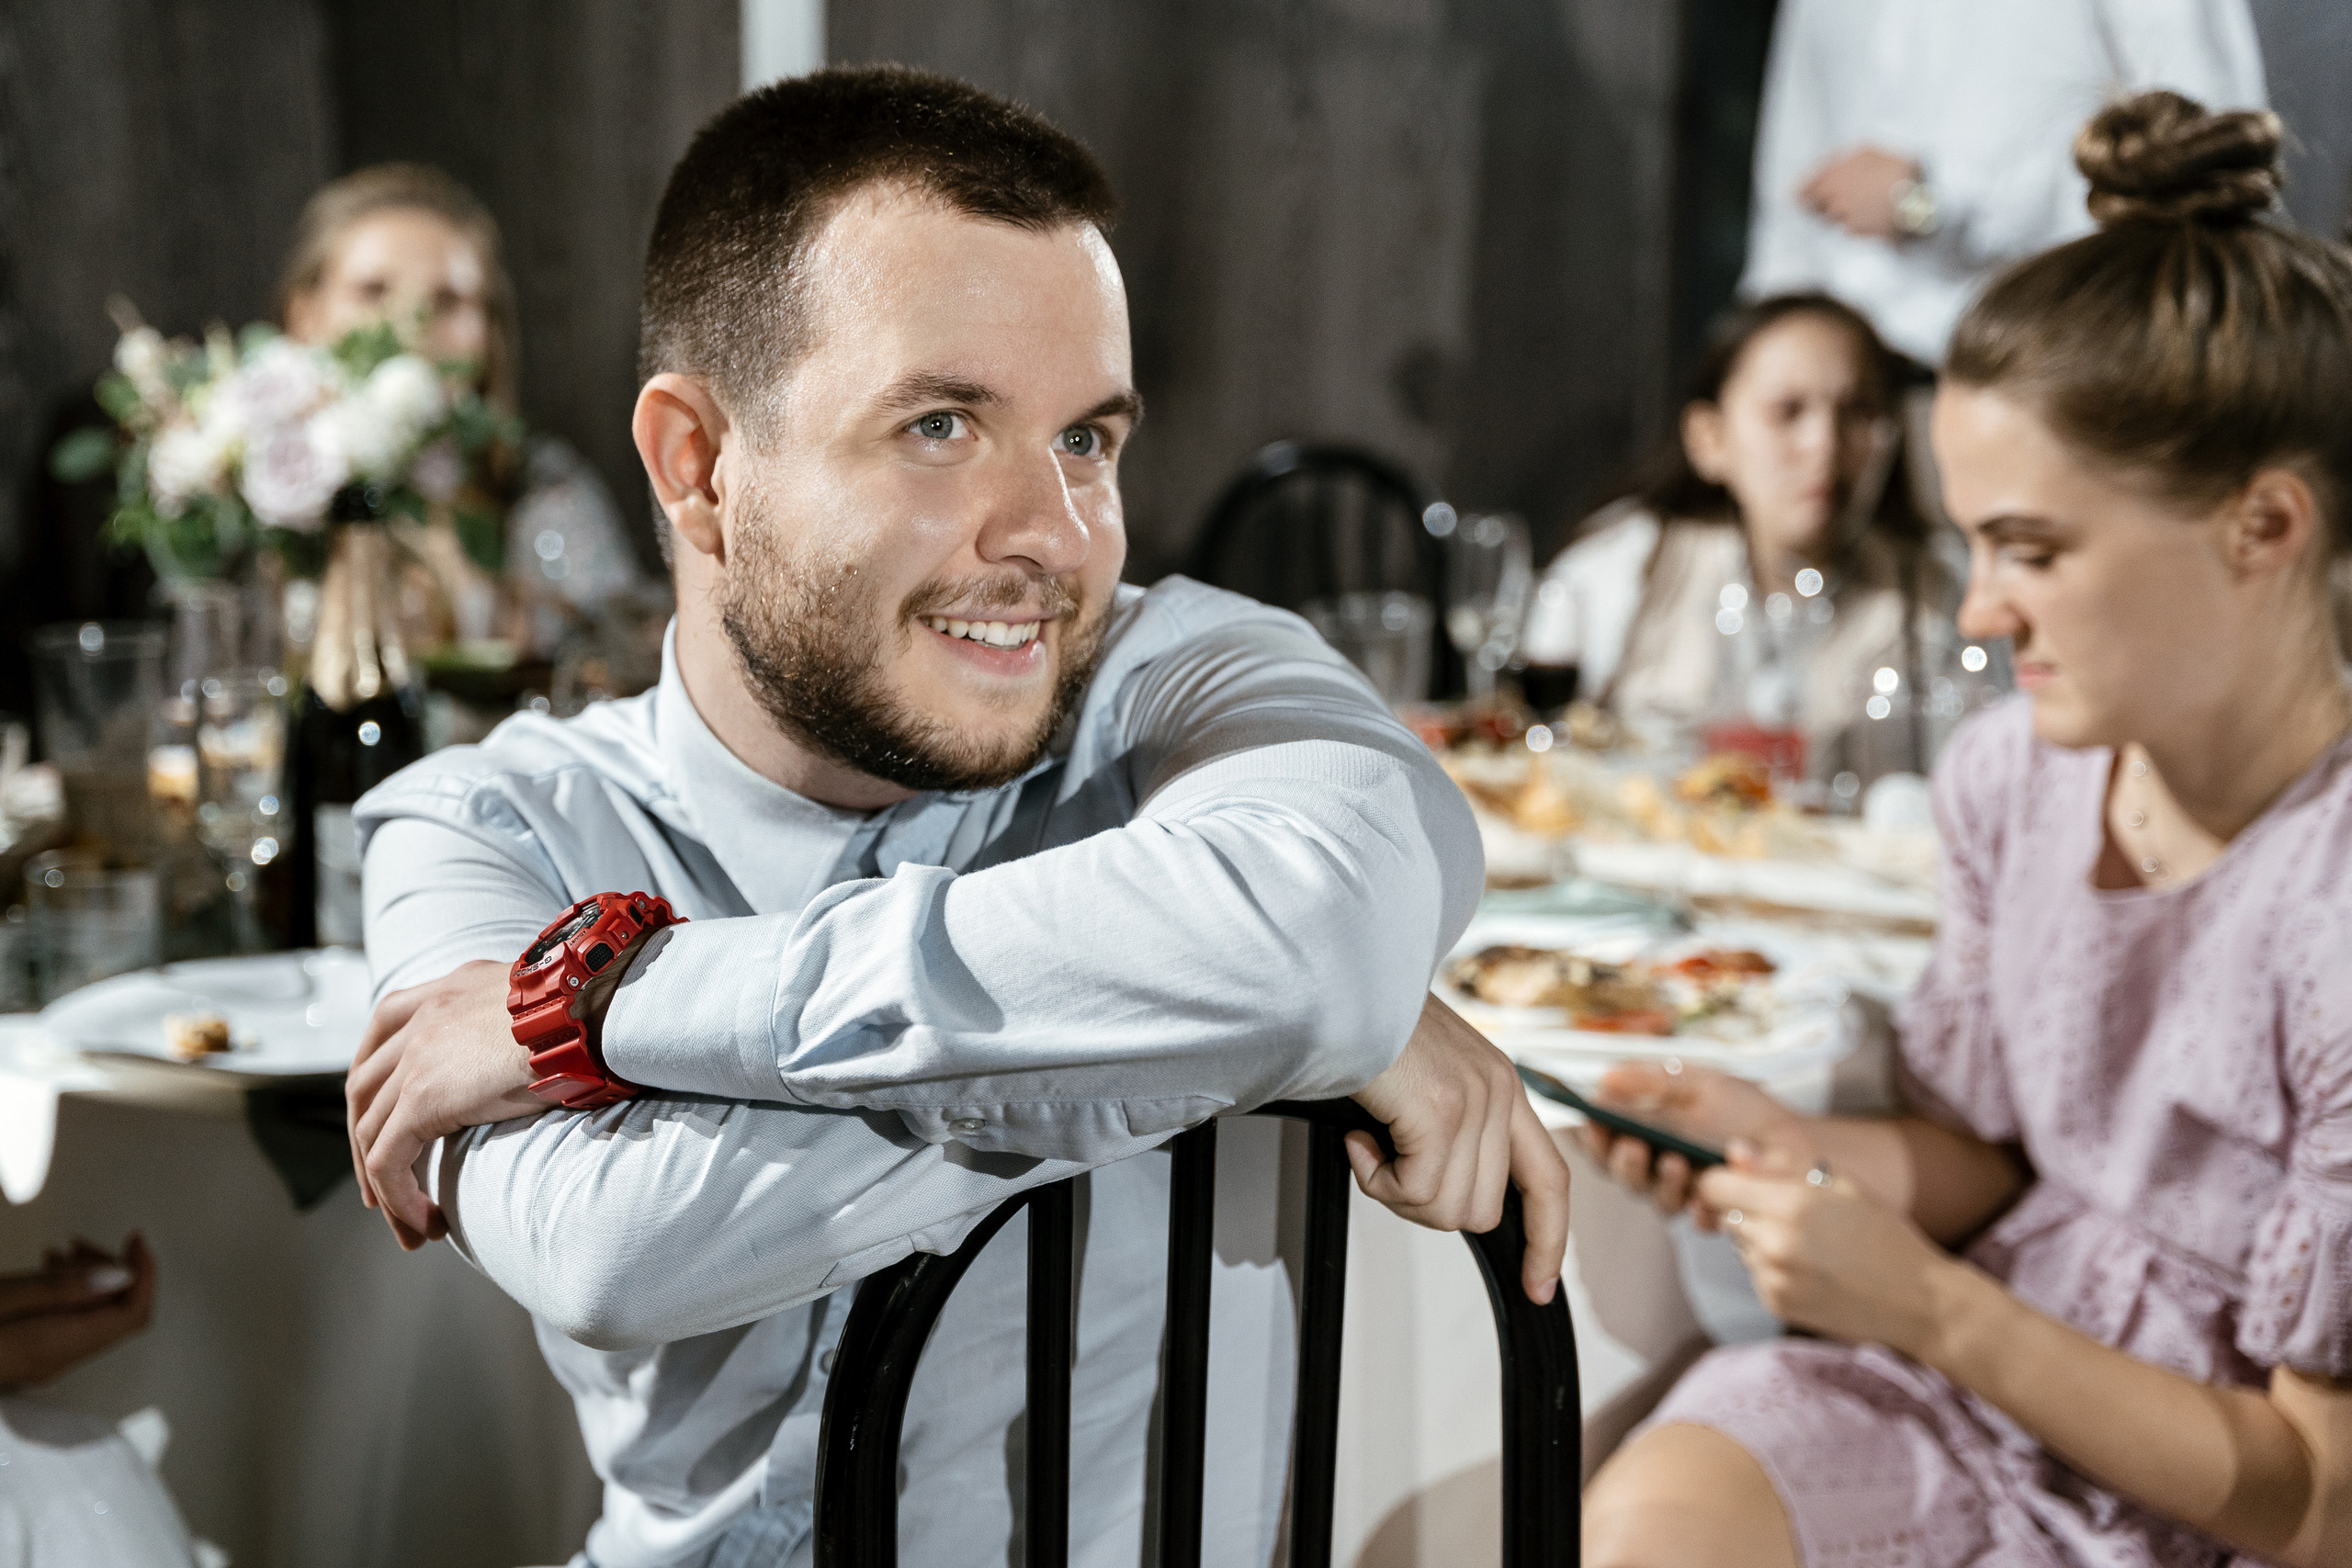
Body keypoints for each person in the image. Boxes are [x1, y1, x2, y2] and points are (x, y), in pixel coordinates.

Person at [338, 67, 1570, 1568]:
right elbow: (612, 1246)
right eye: (938, 425)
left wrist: (616, 999)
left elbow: (1320, 933)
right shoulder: (480, 826)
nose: (1056, 534)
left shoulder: (1179, 675)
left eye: (1086, 440)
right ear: (697, 465)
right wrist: (1256, 1032)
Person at [1579, 93, 2352, 1567]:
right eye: (1974, 541)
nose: (1984, 612)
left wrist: (1930, 1305)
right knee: (1645, 1530)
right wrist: (1796, 1145)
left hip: (2209, 1490)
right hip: (1973, 1388)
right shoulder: (2016, 778)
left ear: (2264, 529)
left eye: (2034, 551)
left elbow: (2322, 1501)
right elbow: (1990, 1156)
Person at [1520, 292, 1960, 787]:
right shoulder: (1626, 568)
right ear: (1709, 439)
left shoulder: (1937, 596)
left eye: (1857, 411)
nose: (1825, 444)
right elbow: (1531, 751)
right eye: (1787, 411)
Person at [1745, 0, 2267, 369]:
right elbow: (1789, 194)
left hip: (2061, 372)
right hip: (1858, 388)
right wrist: (1762, 363)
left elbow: (2209, 167)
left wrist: (1927, 204)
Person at [278, 164, 645, 660]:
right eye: (373, 291)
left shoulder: (546, 490)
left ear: (489, 334)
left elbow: (624, 666)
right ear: (305, 314)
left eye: (447, 300)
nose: (409, 326)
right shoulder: (250, 497)